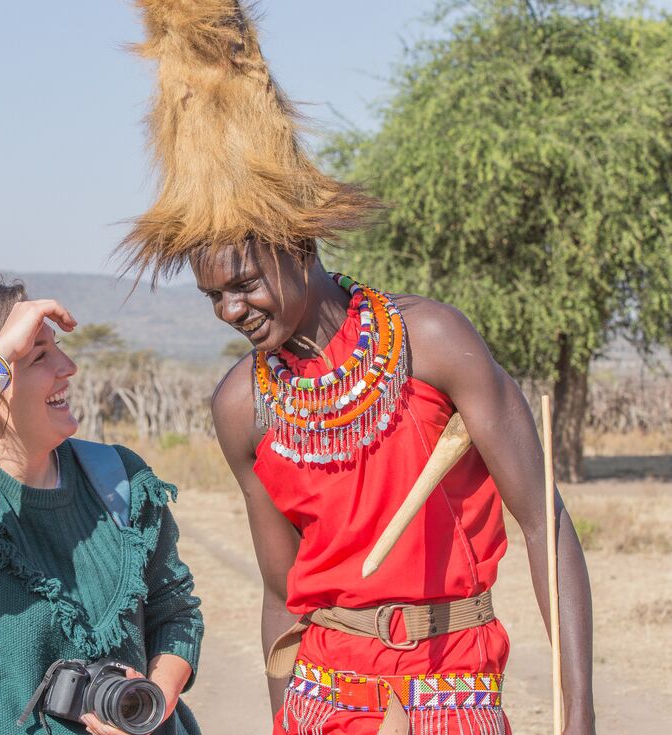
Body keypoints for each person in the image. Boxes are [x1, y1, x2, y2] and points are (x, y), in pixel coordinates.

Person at [119, 2, 594, 733]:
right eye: (212, 294)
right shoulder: (243, 404)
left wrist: (578, 709)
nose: (229, 309)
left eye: (244, 283)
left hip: (452, 683)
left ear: (301, 248)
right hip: (324, 699)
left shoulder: (431, 340)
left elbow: (543, 523)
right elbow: (281, 594)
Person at [0, 279, 203, 735]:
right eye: (38, 356)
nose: (68, 367)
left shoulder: (119, 478)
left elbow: (175, 611)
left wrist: (150, 701)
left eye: (59, 349)